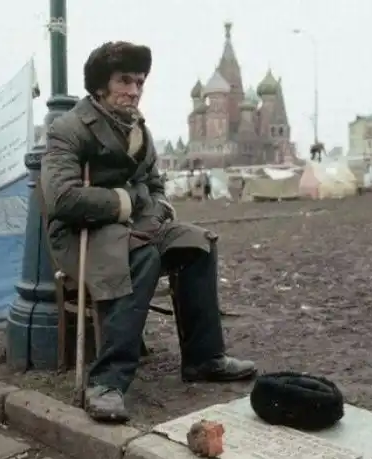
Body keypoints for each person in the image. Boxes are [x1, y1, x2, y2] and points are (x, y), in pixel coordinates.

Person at [41, 41, 257, 423]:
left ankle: (204, 357)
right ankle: (106, 383)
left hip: (137, 227)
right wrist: (127, 201)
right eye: (124, 81)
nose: (134, 91)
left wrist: (153, 211)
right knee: (141, 256)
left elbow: (155, 187)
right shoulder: (69, 128)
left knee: (198, 244)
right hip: (81, 234)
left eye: (139, 82)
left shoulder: (140, 130)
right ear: (100, 85)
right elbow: (62, 198)